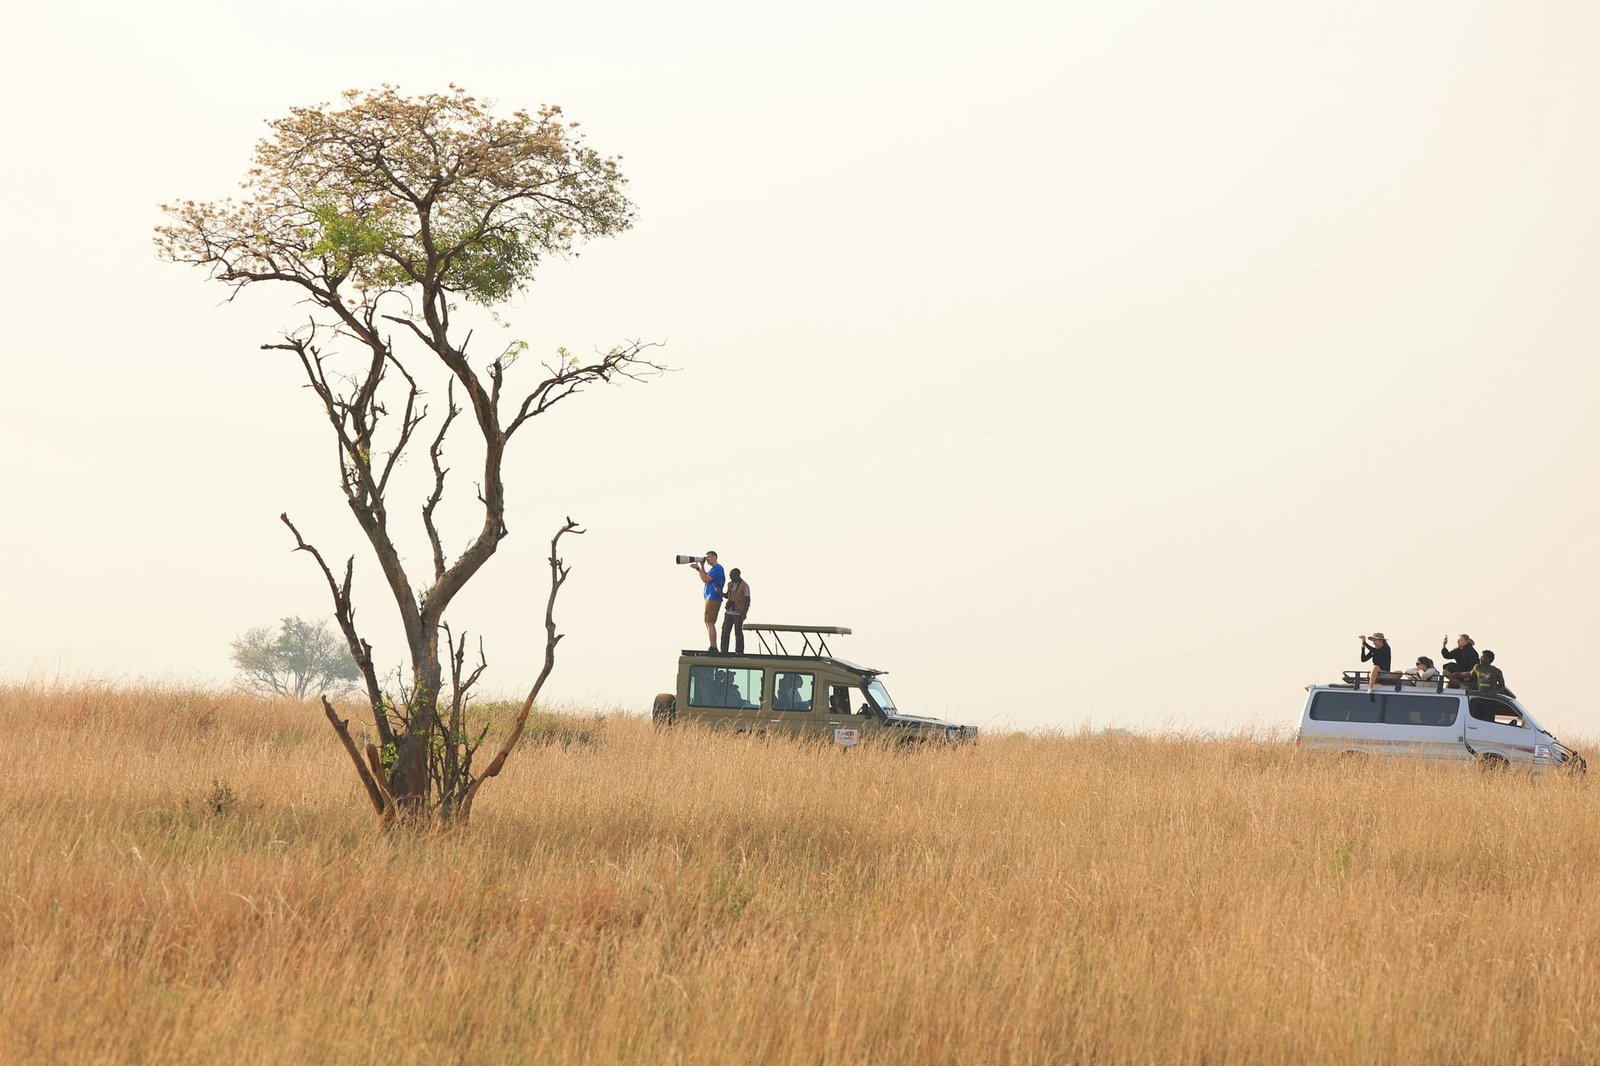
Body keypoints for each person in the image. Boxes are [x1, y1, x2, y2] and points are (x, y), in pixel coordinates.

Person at [689, 551, 725, 651]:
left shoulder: (718, 568)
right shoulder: (714, 569)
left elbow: (705, 579)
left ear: (714, 557)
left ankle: (713, 646)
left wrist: (698, 568)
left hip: (713, 598)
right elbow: (706, 576)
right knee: (708, 621)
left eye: (709, 557)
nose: (707, 559)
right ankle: (713, 645)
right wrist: (702, 567)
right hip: (710, 597)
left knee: (710, 622)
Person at [720, 567, 751, 655]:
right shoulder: (730, 584)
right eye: (730, 575)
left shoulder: (745, 586)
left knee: (738, 632)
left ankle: (739, 651)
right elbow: (728, 595)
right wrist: (720, 593)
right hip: (729, 612)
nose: (731, 577)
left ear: (738, 575)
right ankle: (724, 651)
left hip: (738, 612)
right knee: (725, 631)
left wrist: (745, 613)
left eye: (732, 576)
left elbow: (747, 600)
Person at [1360, 632, 1393, 701]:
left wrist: (1365, 643)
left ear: (1381, 640)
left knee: (1399, 673)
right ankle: (1370, 688)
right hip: (1376, 672)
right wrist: (1363, 647)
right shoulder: (1374, 650)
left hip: (1384, 672)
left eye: (1375, 640)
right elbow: (1363, 659)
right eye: (1373, 641)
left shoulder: (1386, 649)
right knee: (1375, 668)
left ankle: (1378, 678)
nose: (1373, 642)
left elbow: (1376, 651)